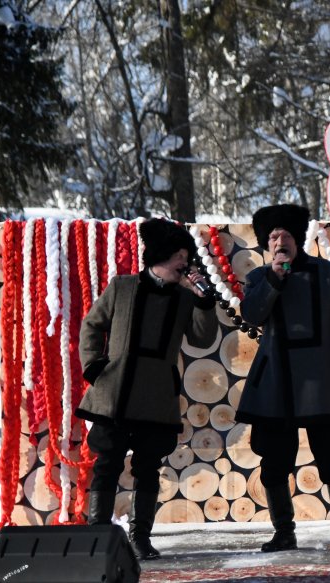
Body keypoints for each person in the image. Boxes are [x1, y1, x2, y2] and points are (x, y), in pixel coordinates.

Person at [77, 218, 218, 560]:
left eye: (187, 256)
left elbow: (202, 337)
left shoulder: (186, 298)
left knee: (147, 468)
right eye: (179, 256)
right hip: (115, 393)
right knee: (107, 464)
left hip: (156, 397)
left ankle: (141, 537)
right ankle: (98, 535)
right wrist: (94, 366)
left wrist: (203, 302)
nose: (184, 263)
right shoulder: (122, 287)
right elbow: (92, 324)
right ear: (160, 257)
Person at [236, 203, 330, 553]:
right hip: (276, 383)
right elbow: (252, 315)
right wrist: (274, 279)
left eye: (286, 235)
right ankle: (284, 532)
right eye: (273, 237)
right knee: (274, 463)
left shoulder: (327, 273)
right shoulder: (258, 277)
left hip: (322, 381)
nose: (279, 241)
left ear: (298, 240)